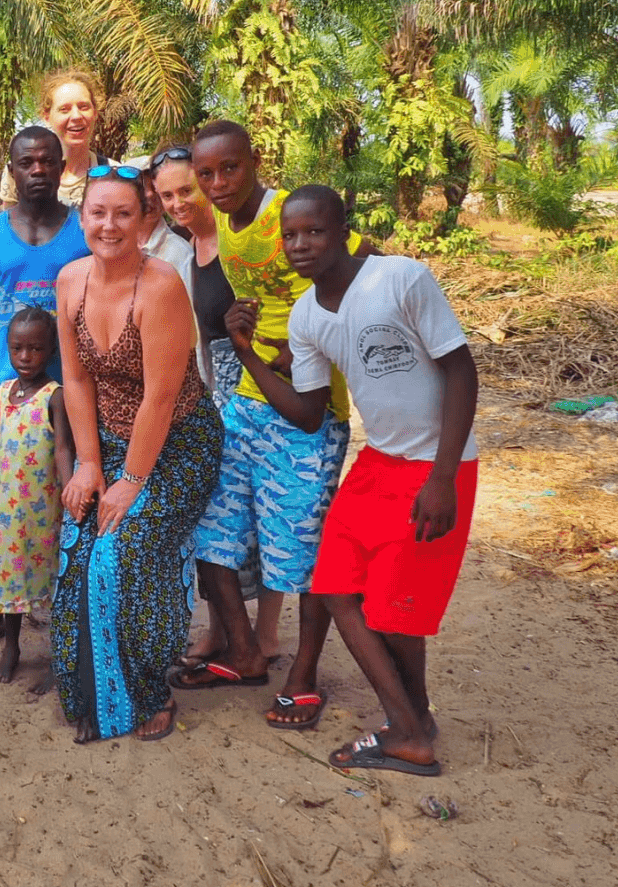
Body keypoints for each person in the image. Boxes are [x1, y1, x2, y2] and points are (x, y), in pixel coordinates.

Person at [228, 186, 477, 775]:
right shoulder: (307, 314)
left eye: (313, 232)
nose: (300, 245)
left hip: (438, 464)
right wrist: (247, 354)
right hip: (379, 464)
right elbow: (307, 411)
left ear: (343, 230)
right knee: (336, 588)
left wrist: (442, 479)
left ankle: (409, 730)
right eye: (290, 235)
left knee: (396, 610)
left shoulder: (401, 279)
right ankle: (413, 721)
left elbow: (462, 371)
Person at [174, 121, 374, 735]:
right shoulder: (229, 234)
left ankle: (304, 677)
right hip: (247, 399)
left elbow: (368, 262)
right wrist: (242, 323)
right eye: (205, 174)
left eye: (228, 169)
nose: (217, 183)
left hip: (309, 412)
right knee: (211, 533)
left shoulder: (291, 213)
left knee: (301, 555)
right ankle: (245, 653)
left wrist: (323, 333)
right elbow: (255, 302)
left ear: (254, 162)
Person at [52, 166, 224, 743]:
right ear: (81, 220)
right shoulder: (69, 281)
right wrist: (89, 464)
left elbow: (162, 394)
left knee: (126, 543)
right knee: (77, 535)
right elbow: (76, 380)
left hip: (178, 445)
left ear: (145, 221)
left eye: (123, 213)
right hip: (110, 443)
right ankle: (89, 692)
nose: (109, 225)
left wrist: (129, 479)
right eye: (98, 213)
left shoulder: (160, 286)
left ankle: (151, 691)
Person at [0, 127, 88, 661]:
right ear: (11, 170)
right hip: (3, 391)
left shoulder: (82, 229)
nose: (37, 171)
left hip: (71, 388)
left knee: (63, 487)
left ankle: (55, 593)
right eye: (26, 163)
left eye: (46, 162)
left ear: (62, 167)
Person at [151, 145, 284, 667]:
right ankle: (221, 630)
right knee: (220, 515)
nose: (179, 202)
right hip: (219, 390)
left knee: (267, 509)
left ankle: (267, 634)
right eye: (167, 195)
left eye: (187, 189)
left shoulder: (242, 232)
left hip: (265, 382)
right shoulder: (195, 243)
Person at [0, 309, 73, 687]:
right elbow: (2, 449)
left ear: (50, 351)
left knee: (49, 575)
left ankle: (60, 653)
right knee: (9, 577)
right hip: (7, 509)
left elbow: (64, 448)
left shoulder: (56, 396)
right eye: (17, 348)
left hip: (42, 509)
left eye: (35, 349)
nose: (25, 357)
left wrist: (70, 490)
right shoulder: (4, 392)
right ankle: (12, 646)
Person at [0, 68, 115, 208]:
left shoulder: (116, 175)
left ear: (95, 113)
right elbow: (8, 225)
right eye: (64, 109)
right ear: (46, 116)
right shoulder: (19, 172)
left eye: (84, 107)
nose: (76, 116)